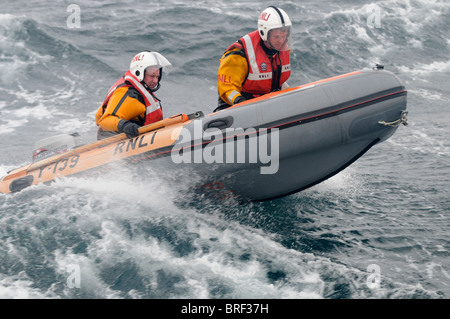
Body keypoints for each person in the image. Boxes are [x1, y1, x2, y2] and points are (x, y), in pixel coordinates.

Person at [215, 6, 292, 112]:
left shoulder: (281, 49)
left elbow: (276, 80)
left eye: (284, 36)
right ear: (264, 33)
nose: (281, 41)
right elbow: (226, 88)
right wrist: (241, 103)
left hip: (266, 101)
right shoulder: (239, 54)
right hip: (237, 106)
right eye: (277, 37)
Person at [95, 51, 172, 140]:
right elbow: (105, 121)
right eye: (152, 76)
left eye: (157, 77)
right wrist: (125, 126)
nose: (155, 81)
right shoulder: (128, 94)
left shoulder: (142, 91)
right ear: (139, 72)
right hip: (111, 142)